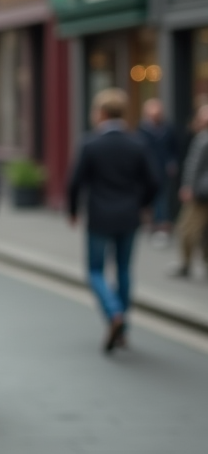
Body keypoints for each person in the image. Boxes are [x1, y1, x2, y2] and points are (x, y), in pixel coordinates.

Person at [66, 88, 160, 352]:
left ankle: (113, 312)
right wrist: (142, 204)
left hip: (99, 216)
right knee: (124, 270)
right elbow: (154, 181)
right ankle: (123, 327)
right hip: (129, 216)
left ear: (102, 113)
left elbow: (75, 182)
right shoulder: (137, 143)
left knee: (95, 270)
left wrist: (73, 210)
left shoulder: (90, 144)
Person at [138, 98, 179, 241]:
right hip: (147, 169)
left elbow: (174, 148)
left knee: (162, 197)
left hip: (163, 169)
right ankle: (151, 223)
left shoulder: (167, 129)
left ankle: (161, 225)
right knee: (150, 197)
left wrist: (172, 162)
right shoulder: (142, 130)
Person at [175, 103, 208, 278]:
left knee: (187, 229)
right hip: (201, 191)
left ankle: (186, 264)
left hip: (200, 193)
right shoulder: (199, 136)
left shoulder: (202, 138)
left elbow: (193, 165)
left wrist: (188, 186)